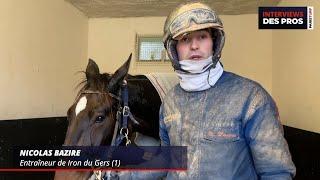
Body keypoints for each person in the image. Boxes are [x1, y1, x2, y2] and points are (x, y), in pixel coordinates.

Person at [159, 2, 296, 179]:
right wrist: (117, 168)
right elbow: (164, 161)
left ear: (214, 43)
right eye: (185, 39)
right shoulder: (169, 101)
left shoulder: (251, 97)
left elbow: (276, 172)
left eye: (202, 36)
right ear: (173, 49)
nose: (194, 46)